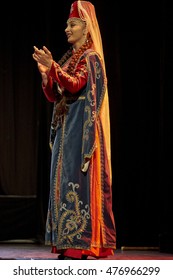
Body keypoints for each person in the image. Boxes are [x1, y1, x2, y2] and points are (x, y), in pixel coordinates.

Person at [32, 0, 116, 260]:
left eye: (72, 24)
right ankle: (66, 243)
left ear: (86, 28)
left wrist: (54, 69)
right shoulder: (70, 59)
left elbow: (76, 84)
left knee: (77, 184)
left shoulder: (91, 59)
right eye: (67, 24)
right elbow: (55, 95)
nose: (67, 29)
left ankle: (80, 244)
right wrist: (48, 75)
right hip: (66, 131)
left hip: (81, 133)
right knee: (61, 183)